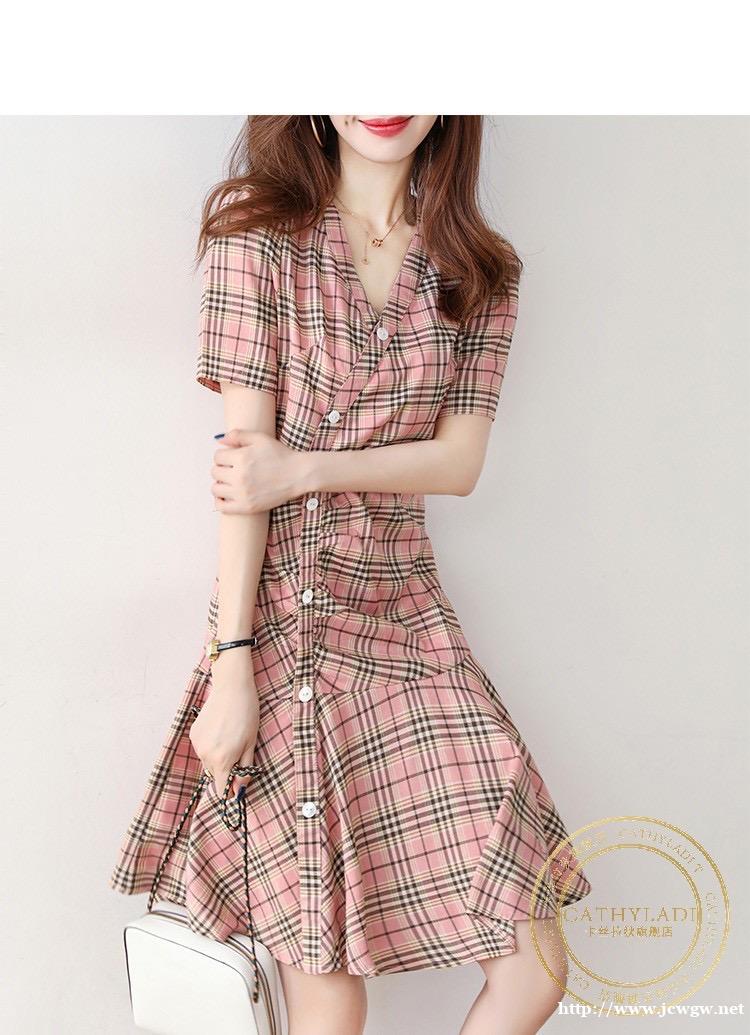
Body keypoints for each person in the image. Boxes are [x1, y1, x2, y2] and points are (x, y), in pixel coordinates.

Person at [110, 115, 592, 1035]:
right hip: (285, 631)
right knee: (327, 997)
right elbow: (243, 475)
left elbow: (458, 463)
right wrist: (232, 665)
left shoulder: (479, 269)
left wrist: (306, 469)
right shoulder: (256, 238)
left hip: (408, 622)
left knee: (534, 965)